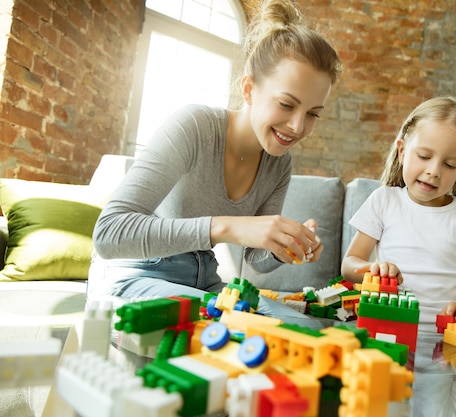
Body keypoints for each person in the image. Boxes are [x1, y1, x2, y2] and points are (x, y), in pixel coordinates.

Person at [88, 0, 342, 303]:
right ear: (249, 90)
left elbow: (255, 259)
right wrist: (227, 226)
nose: (298, 126)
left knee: (289, 330)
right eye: (286, 104)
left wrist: (286, 246)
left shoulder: (279, 164)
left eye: (313, 113)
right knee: (228, 329)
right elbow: (108, 234)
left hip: (204, 279)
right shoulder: (195, 127)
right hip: (137, 273)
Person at [341, 97, 456, 330]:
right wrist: (373, 269)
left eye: (450, 165)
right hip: (386, 326)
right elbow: (349, 265)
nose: (433, 171)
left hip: (443, 334)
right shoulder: (384, 200)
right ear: (402, 152)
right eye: (424, 156)